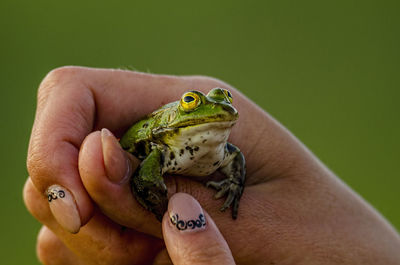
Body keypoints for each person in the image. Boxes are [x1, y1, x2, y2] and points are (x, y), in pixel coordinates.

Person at [24, 66, 400, 265]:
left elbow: (235, 160)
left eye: (223, 101)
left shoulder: (227, 152)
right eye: (193, 101)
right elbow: (145, 175)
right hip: (154, 142)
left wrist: (233, 188)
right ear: (180, 109)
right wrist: (156, 204)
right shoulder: (162, 147)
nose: (217, 107)